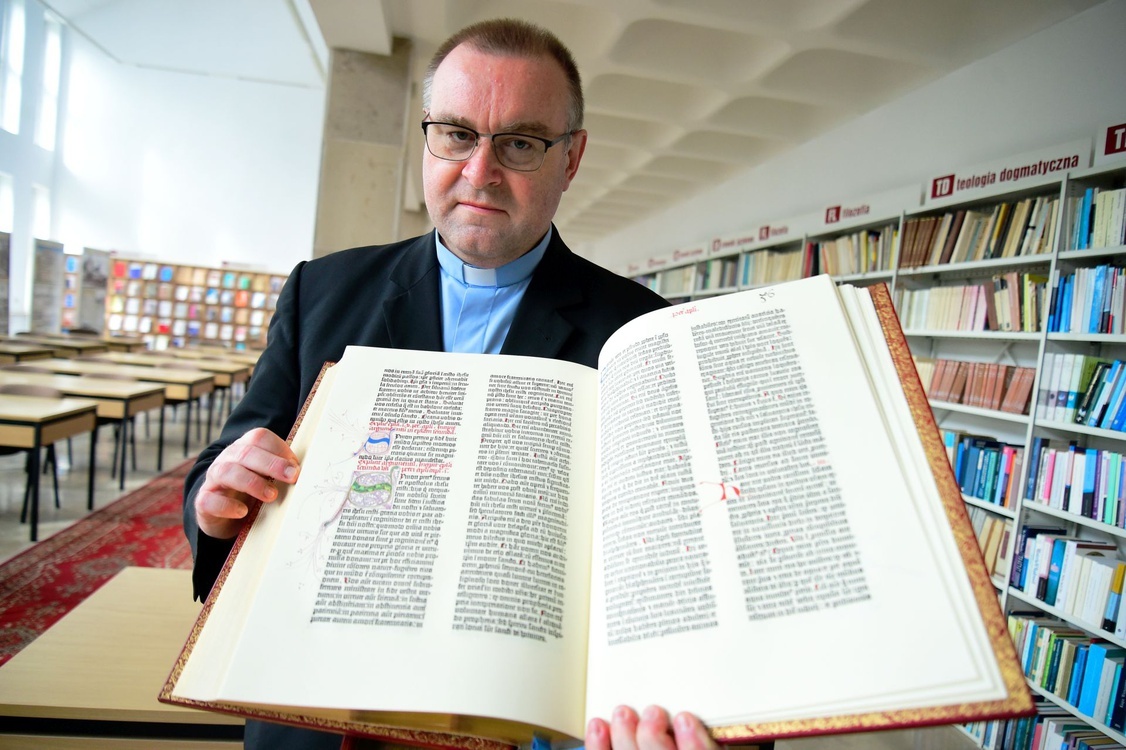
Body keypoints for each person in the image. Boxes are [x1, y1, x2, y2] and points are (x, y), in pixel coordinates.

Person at [183, 18, 717, 750]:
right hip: (320, 713)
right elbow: (220, 473)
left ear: (571, 158)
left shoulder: (644, 333)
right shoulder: (321, 292)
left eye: (521, 143)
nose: (480, 170)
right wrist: (217, 502)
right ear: (427, 138)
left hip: (534, 723)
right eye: (458, 135)